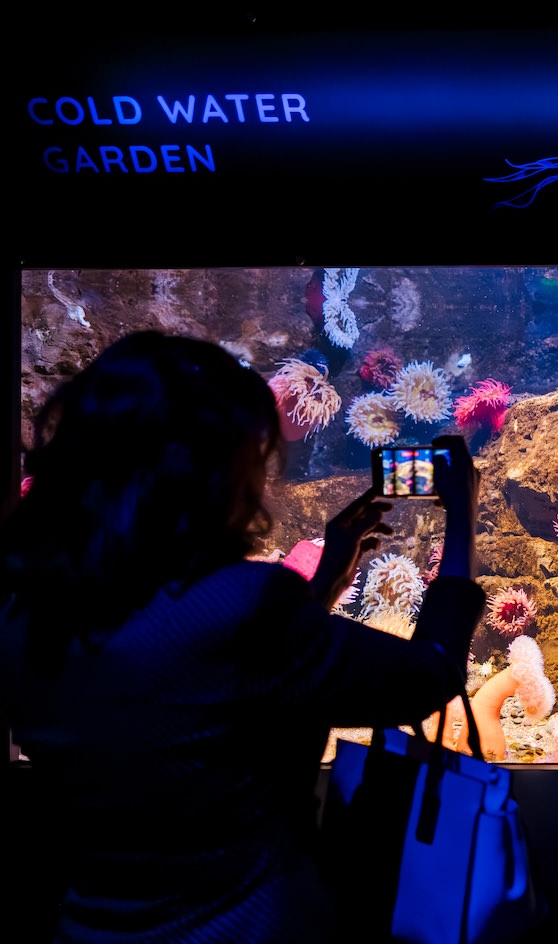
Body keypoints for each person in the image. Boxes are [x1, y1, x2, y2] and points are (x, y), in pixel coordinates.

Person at [0, 331, 486, 943]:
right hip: (250, 924)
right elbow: (430, 672)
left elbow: (190, 684)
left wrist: (324, 586)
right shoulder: (243, 603)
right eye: (251, 459)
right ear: (201, 471)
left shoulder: (22, 614)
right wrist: (463, 519)